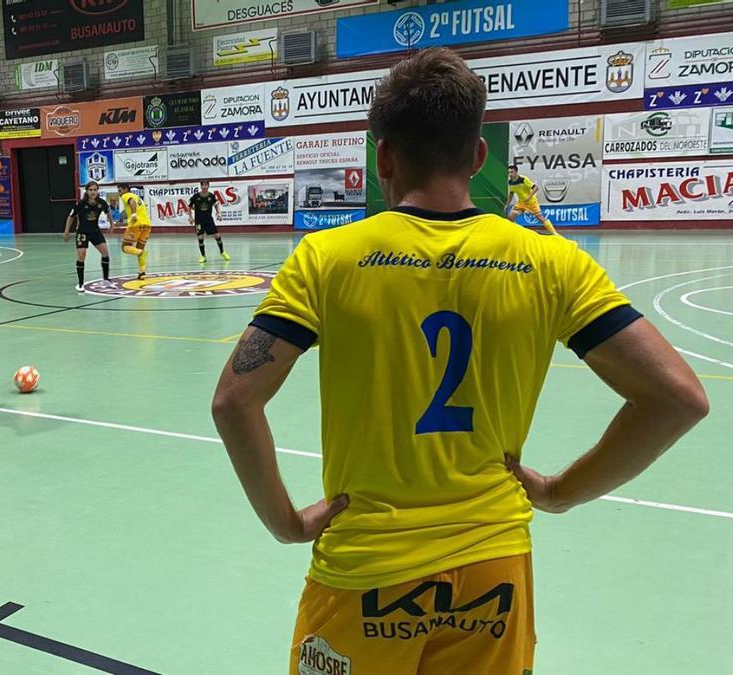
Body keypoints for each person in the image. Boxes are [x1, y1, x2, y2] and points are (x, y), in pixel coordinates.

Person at [209, 48, 708, 675]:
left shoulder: (326, 258)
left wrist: (285, 522)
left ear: (382, 156)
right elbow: (679, 398)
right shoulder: (551, 262)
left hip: (365, 569)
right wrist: (558, 494)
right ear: (478, 156)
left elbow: (233, 400)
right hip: (492, 570)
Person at [63, 180, 112, 292]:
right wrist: (66, 230)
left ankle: (106, 279)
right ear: (87, 191)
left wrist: (111, 225)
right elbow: (71, 217)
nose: (93, 192)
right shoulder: (81, 204)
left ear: (97, 191)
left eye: (95, 190)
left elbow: (108, 212)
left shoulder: (101, 203)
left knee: (105, 253)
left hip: (95, 231)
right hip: (82, 232)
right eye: (90, 190)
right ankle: (81, 283)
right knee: (82, 254)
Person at [506, 165, 558, 235]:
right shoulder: (510, 182)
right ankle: (518, 233)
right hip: (521, 203)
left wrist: (529, 197)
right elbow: (511, 193)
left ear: (516, 172)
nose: (510, 174)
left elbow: (536, 188)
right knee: (511, 216)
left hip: (531, 202)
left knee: (540, 218)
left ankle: (555, 233)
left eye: (512, 172)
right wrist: (507, 204)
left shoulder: (523, 179)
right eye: (509, 172)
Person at [189, 179, 228, 263]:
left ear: (208, 186)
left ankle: (222, 252)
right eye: (203, 185)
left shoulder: (211, 196)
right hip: (199, 221)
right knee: (200, 237)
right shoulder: (195, 197)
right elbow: (189, 206)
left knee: (217, 236)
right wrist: (190, 217)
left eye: (206, 185)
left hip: (209, 220)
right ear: (201, 186)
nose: (204, 187)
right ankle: (203, 256)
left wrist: (219, 213)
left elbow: (216, 204)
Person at [117, 183, 151, 281]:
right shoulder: (137, 197)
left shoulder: (126, 195)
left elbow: (132, 203)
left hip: (136, 224)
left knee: (125, 247)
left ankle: (141, 253)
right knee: (140, 249)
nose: (119, 193)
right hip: (147, 225)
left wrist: (133, 214)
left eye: (120, 190)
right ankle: (142, 272)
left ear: (125, 189)